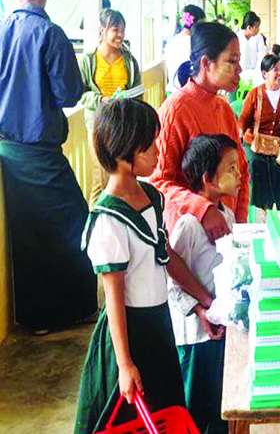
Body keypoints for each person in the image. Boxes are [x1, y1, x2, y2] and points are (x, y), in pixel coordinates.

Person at [73, 99, 206, 434]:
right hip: (129, 334)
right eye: (149, 146)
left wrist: (205, 300)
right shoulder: (109, 220)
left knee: (166, 413)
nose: (158, 151)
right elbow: (114, 297)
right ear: (123, 153)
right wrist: (124, 364)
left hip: (159, 325)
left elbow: (167, 256)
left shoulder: (152, 197)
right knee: (128, 422)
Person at [0, 0, 96, 334]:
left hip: (9, 150)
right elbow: (69, 94)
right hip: (40, 150)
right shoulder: (51, 34)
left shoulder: (3, 29)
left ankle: (36, 317)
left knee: (28, 234)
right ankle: (72, 310)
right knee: (76, 223)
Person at [150, 22, 250, 240]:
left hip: (227, 233)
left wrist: (239, 225)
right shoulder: (175, 110)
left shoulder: (224, 108)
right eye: (232, 61)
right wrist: (202, 209)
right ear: (206, 63)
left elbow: (242, 171)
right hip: (190, 238)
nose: (239, 69)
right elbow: (159, 183)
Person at [169, 134, 242, 434]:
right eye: (231, 168)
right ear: (208, 179)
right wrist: (200, 309)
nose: (239, 174)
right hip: (195, 337)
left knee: (219, 406)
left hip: (220, 330)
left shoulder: (227, 216)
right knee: (194, 410)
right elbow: (171, 281)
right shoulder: (188, 225)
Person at [79, 9, 142, 206]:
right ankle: (95, 218)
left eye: (123, 30)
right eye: (115, 30)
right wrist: (101, 100)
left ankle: (120, 216)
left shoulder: (129, 61)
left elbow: (138, 93)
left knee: (123, 176)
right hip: (98, 125)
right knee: (101, 177)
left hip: (123, 126)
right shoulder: (89, 60)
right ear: (102, 30)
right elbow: (80, 93)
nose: (120, 35)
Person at [239, 54, 280, 211]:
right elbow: (243, 120)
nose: (279, 73)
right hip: (259, 149)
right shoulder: (254, 94)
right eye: (275, 70)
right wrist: (243, 137)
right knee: (257, 171)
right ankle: (261, 213)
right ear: (264, 74)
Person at [165, 4, 205, 94]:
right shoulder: (196, 43)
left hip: (172, 92)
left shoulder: (171, 42)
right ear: (197, 22)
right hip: (190, 93)